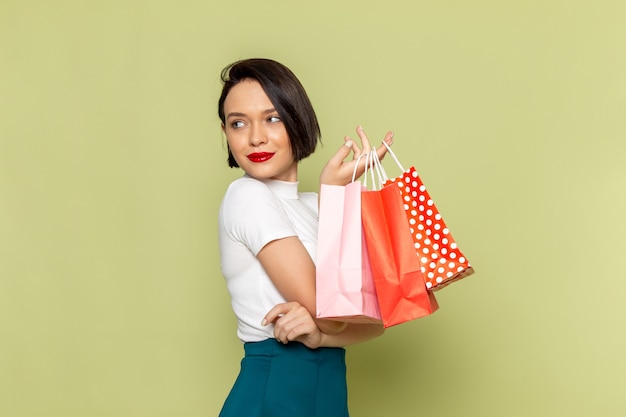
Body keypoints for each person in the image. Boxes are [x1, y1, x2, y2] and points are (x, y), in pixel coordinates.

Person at [217, 58, 393, 417]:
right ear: (226, 133)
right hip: (273, 391)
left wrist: (321, 336)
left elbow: (379, 319)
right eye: (238, 123)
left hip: (326, 393)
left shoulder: (316, 206)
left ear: (297, 119)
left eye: (272, 118)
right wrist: (329, 322)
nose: (255, 138)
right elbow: (331, 311)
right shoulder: (246, 196)